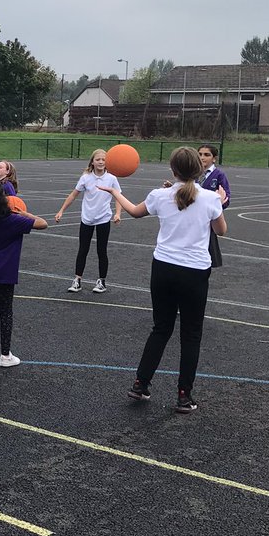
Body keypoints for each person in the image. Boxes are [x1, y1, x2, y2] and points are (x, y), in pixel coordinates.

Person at [99, 146, 226, 413]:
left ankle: (140, 383)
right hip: (194, 272)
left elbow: (134, 211)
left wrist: (114, 192)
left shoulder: (160, 195)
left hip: (164, 268)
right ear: (200, 169)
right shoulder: (210, 198)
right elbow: (221, 231)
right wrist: (220, 200)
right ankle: (183, 395)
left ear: (173, 169)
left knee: (161, 328)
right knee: (191, 334)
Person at [0, 181, 47, 370]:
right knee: (6, 313)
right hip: (6, 274)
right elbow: (43, 224)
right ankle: (5, 355)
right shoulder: (14, 220)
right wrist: (23, 213)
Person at [54, 149, 121, 293]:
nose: (101, 162)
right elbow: (73, 195)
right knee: (82, 250)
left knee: (101, 251)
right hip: (87, 219)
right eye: (98, 159)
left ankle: (101, 281)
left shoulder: (112, 179)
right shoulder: (86, 178)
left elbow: (118, 197)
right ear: (92, 162)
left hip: (103, 219)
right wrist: (61, 210)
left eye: (103, 159)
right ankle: (77, 280)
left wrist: (118, 213)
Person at [197, 143, 231, 268]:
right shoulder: (193, 174)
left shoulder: (219, 175)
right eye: (200, 154)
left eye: (206, 155)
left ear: (214, 158)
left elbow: (226, 199)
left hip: (208, 221)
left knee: (206, 256)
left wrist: (216, 206)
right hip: (193, 219)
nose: (202, 157)